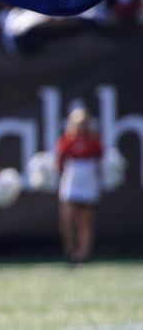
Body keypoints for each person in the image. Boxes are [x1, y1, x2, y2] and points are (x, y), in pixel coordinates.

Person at [56, 107, 103, 265]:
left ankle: (83, 255)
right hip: (71, 181)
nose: (82, 126)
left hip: (88, 181)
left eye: (85, 123)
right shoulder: (65, 140)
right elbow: (59, 163)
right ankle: (69, 251)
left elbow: (102, 160)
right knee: (67, 219)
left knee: (85, 221)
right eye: (79, 123)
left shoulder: (95, 140)